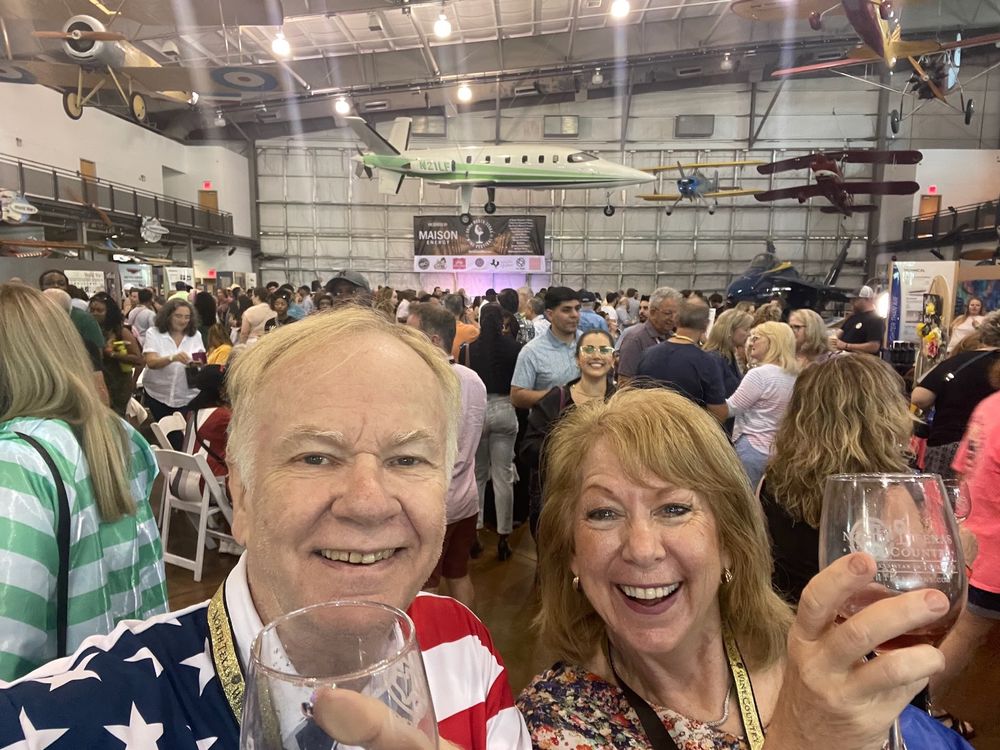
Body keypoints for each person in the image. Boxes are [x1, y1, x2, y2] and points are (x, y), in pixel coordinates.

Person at [0, 306, 530, 750]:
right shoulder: (66, 719)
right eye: (315, 457)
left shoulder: (460, 639)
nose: (368, 503)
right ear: (242, 494)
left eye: (408, 459)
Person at [516, 386, 969, 750]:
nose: (642, 549)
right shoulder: (554, 721)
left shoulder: (811, 660)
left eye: (674, 509)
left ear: (730, 540)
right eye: (603, 513)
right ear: (571, 551)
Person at [0, 283, 167, 681]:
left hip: (47, 704)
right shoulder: (116, 436)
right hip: (125, 682)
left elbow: (8, 641)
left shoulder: (16, 464)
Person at [762, 355, 913, 603]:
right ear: (886, 413)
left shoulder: (774, 478)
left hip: (789, 612)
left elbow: (763, 558)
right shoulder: (893, 489)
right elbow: (913, 584)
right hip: (862, 621)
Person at [407, 303, 487, 609]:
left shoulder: (423, 381)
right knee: (459, 574)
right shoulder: (473, 379)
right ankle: (468, 632)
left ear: (434, 340)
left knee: (426, 586)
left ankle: (429, 639)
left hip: (432, 502)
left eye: (411, 333)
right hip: (466, 498)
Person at [934, 354, 1000, 722]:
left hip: (972, 540)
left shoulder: (990, 405)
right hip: (993, 554)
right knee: (967, 633)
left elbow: (963, 471)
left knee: (963, 631)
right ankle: (924, 709)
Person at [521, 329, 617, 537]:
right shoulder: (555, 400)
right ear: (577, 359)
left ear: (612, 359)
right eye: (588, 349)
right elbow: (528, 449)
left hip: (610, 506)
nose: (596, 355)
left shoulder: (623, 402)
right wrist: (569, 447)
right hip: (560, 504)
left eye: (604, 350)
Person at [463, 303, 522, 561]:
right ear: (502, 322)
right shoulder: (515, 348)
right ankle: (504, 536)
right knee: (503, 475)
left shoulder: (468, 349)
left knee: (477, 474)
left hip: (478, 410)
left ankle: (474, 533)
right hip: (505, 409)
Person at [911, 311, 1000, 478]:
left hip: (949, 444)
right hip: (990, 450)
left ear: (983, 335)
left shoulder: (958, 362)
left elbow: (920, 398)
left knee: (943, 493)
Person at [722, 321, 799, 491]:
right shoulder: (794, 375)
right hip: (778, 451)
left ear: (773, 342)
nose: (751, 343)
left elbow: (731, 408)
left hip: (752, 448)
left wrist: (709, 398)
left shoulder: (759, 375)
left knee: (745, 500)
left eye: (756, 338)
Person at [635, 298, 728, 413]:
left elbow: (636, 398)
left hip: (652, 421)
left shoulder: (647, 354)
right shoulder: (707, 362)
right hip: (690, 423)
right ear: (706, 325)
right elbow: (719, 412)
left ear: (676, 320)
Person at [510, 287, 582, 410]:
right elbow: (517, 396)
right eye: (566, 310)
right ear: (550, 314)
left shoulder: (589, 343)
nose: (574, 315)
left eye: (577, 309)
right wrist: (560, 396)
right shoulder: (532, 351)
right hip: (551, 421)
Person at [141, 299, 205, 422]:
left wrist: (197, 364)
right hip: (158, 395)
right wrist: (172, 358)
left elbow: (201, 360)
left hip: (187, 397)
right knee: (166, 429)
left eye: (187, 317)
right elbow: (151, 362)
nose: (183, 321)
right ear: (168, 316)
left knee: (182, 431)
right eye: (178, 316)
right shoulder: (154, 333)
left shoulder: (196, 335)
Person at [88, 292, 144, 417]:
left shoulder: (120, 331)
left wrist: (112, 354)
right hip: (95, 382)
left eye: (99, 310)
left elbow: (138, 359)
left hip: (118, 383)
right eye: (92, 310)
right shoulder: (89, 330)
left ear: (109, 312)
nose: (94, 313)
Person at [616, 287, 683, 384]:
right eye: (668, 313)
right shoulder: (635, 340)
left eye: (676, 314)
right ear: (653, 312)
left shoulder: (672, 337)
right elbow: (624, 383)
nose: (673, 318)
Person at [702, 308, 753, 396]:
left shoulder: (728, 355)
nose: (749, 334)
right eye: (746, 329)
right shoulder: (714, 359)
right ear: (730, 330)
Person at [833, 285, 885, 355]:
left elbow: (874, 346)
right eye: (852, 299)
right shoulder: (853, 317)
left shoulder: (875, 320)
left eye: (856, 299)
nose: (852, 302)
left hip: (861, 359)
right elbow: (840, 332)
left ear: (868, 299)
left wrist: (846, 346)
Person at [446, 293, 479, 359]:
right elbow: (483, 335)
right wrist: (472, 320)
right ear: (462, 309)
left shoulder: (438, 328)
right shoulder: (470, 330)